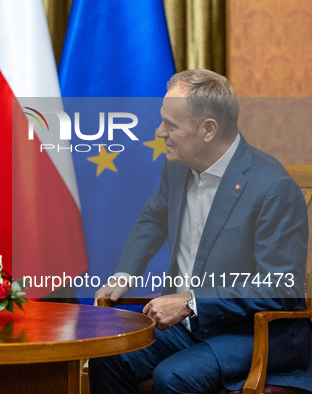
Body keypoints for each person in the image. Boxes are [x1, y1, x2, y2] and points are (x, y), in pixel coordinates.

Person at [91, 69, 312, 393]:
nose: (159, 131)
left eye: (171, 124)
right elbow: (153, 217)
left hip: (252, 332)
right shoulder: (177, 166)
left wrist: (191, 302)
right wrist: (125, 274)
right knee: (107, 355)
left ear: (208, 129)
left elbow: (277, 287)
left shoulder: (273, 187)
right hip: (190, 326)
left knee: (174, 376)